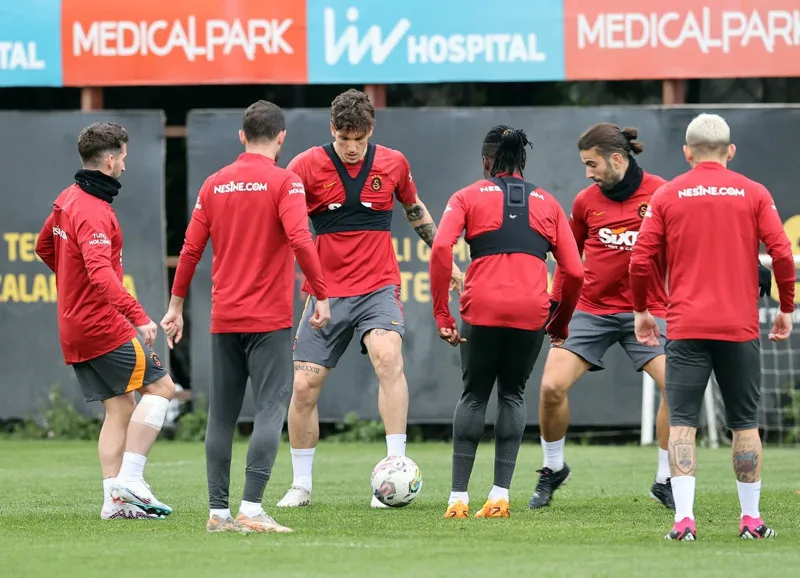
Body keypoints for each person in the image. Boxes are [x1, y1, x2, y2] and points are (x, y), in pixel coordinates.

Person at [276, 89, 463, 509]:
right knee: (304, 386)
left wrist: (446, 261)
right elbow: (282, 222)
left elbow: (415, 210)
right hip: (325, 293)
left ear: (371, 130)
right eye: (344, 138)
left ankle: (395, 469)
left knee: (388, 357)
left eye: (359, 139)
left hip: (379, 286)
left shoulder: (393, 163)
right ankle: (301, 485)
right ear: (332, 130)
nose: (352, 147)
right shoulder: (304, 166)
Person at [160, 101, 331, 533]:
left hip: (225, 318)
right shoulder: (286, 181)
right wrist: (321, 294)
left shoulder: (214, 183)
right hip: (269, 320)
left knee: (221, 416)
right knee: (270, 409)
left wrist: (176, 306)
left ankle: (218, 512)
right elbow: (301, 239)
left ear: (241, 136)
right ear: (281, 137)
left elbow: (190, 249)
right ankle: (251, 509)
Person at [629, 113, 795, 541]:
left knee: (683, 424)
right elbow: (781, 253)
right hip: (739, 327)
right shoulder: (753, 192)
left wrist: (642, 310)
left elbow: (640, 260)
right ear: (730, 151)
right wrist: (786, 308)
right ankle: (751, 520)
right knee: (745, 424)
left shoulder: (667, 194)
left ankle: (684, 520)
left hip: (686, 326)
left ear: (687, 153)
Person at [430, 126, 584, 519]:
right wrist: (559, 322)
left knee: (474, 396)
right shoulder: (549, 203)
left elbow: (441, 247)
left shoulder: (466, 196)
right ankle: (499, 498)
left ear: (486, 162)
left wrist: (442, 313)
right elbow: (575, 271)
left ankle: (458, 500)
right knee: (513, 395)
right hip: (530, 312)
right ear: (523, 161)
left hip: (481, 308)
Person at [35, 122, 175, 520]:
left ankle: (113, 501)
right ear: (110, 160)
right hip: (101, 325)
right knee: (162, 388)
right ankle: (131, 480)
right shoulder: (93, 210)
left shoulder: (68, 197)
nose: (126, 166)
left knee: (120, 408)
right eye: (124, 158)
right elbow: (100, 274)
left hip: (73, 326)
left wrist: (72, 283)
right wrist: (138, 315)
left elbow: (44, 246)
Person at [529, 123, 673, 510]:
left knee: (676, 388)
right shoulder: (584, 202)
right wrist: (556, 308)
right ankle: (553, 468)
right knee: (550, 387)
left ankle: (665, 479)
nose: (587, 173)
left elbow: (692, 245)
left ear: (617, 159)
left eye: (592, 164)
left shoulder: (661, 194)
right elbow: (568, 260)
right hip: (590, 310)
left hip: (647, 311)